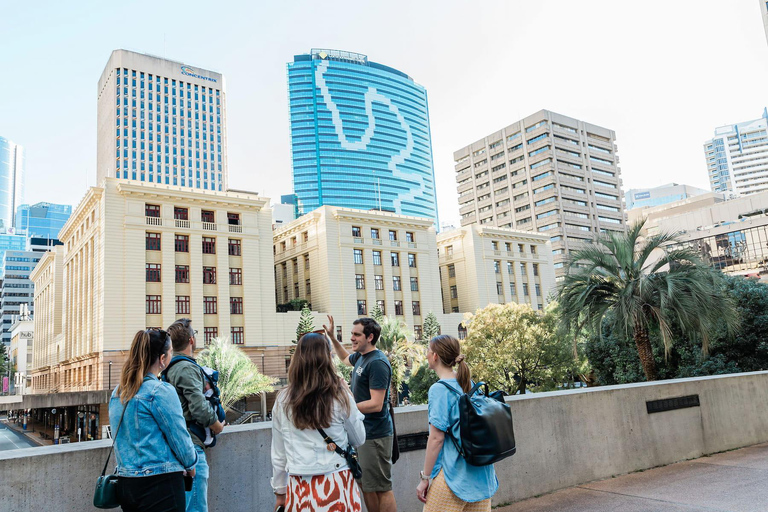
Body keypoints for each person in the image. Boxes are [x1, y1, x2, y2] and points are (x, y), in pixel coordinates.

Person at [271, 332, 366, 512]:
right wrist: (350, 397)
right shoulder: (340, 395)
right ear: (328, 358)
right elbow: (359, 438)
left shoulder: (283, 399)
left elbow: (278, 454)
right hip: (336, 483)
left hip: (299, 486)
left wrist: (280, 492)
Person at [109, 329, 198, 512]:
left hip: (127, 484)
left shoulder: (118, 393)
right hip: (160, 485)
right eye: (171, 352)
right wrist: (191, 465)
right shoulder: (160, 391)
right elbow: (179, 437)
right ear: (162, 358)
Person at [416, 335, 498, 511]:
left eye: (428, 351)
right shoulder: (469, 383)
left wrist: (425, 478)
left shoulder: (439, 389)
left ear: (435, 356)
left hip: (453, 478)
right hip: (481, 477)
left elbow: (436, 439)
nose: (426, 355)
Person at [327, 316, 396, 512]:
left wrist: (346, 406)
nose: (352, 338)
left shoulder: (378, 363)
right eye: (352, 334)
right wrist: (332, 337)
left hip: (376, 435)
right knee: (367, 485)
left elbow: (376, 404)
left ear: (370, 337)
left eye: (357, 334)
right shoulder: (361, 357)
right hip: (362, 433)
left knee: (382, 487)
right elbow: (343, 357)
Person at [164, 319, 224, 512]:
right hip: (191, 449)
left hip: (177, 445)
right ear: (191, 340)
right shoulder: (186, 368)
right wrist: (217, 426)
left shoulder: (169, 366)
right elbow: (198, 407)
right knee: (196, 507)